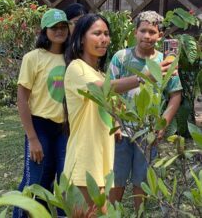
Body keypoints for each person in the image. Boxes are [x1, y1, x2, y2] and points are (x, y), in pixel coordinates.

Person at [63, 13, 175, 206]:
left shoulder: (97, 72)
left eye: (106, 34)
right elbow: (100, 88)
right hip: (84, 166)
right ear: (81, 38)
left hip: (101, 164)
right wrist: (144, 77)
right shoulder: (76, 68)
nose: (103, 39)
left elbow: (113, 105)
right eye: (97, 33)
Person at [109, 11, 182, 211]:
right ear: (135, 32)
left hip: (149, 132)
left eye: (152, 32)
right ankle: (113, 214)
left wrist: (163, 124)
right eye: (143, 30)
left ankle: (138, 214)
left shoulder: (165, 62)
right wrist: (115, 121)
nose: (147, 36)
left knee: (142, 179)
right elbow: (110, 90)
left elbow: (175, 94)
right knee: (117, 177)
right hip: (121, 131)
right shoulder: (121, 58)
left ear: (160, 36)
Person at [13, 9, 70, 218]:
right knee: (34, 181)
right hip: (40, 126)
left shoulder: (72, 58)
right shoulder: (33, 58)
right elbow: (22, 98)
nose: (59, 31)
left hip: (65, 128)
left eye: (63, 26)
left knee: (65, 181)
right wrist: (33, 138)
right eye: (54, 27)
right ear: (44, 31)